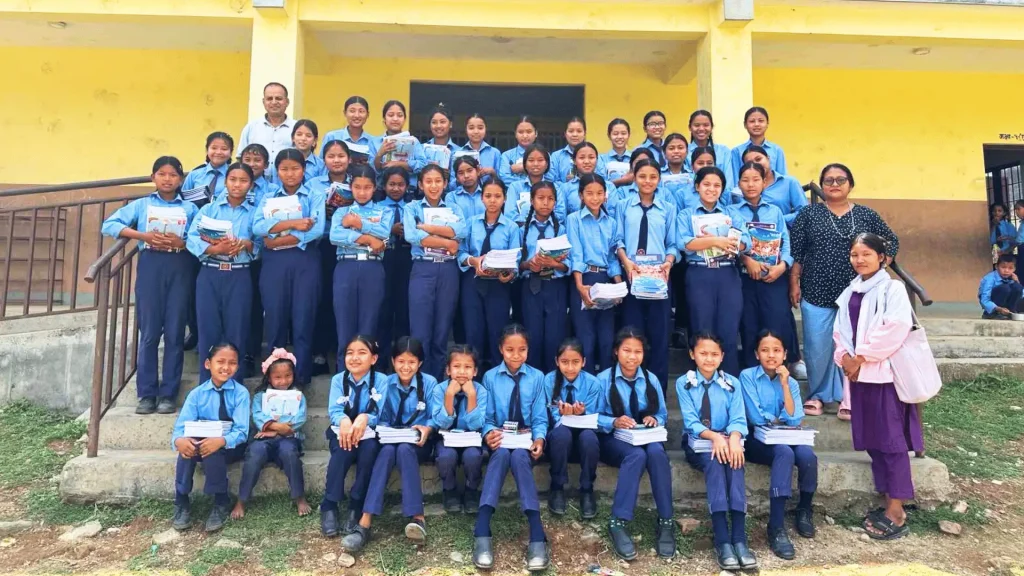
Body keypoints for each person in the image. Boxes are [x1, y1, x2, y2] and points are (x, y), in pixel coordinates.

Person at [789, 164, 899, 420]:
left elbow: (891, 240)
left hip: (856, 293)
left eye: (840, 179)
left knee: (851, 345)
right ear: (822, 185)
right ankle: (817, 395)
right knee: (817, 347)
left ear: (851, 184)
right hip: (816, 289)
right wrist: (794, 281)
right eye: (828, 180)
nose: (834, 184)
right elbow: (797, 252)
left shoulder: (866, 215)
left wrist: (880, 265)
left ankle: (847, 398)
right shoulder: (809, 214)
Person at [832, 232, 923, 541]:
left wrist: (860, 357)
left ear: (883, 258)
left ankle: (897, 511)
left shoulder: (892, 289)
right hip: (859, 378)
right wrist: (844, 357)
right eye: (855, 254)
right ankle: (887, 502)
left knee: (891, 442)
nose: (860, 260)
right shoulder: (850, 291)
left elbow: (894, 329)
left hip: (883, 376)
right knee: (873, 440)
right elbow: (840, 330)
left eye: (867, 254)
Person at [101, 156, 197, 414]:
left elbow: (200, 238)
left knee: (175, 332)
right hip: (151, 265)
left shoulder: (189, 209)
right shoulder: (142, 205)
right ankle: (146, 394)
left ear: (180, 179)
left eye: (173, 175)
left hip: (180, 266)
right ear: (153, 177)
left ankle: (168, 394)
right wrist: (142, 235)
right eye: (162, 174)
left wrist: (183, 243)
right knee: (150, 332)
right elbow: (109, 225)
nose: (167, 179)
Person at [343, 337, 444, 551]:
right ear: (392, 361)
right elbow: (379, 415)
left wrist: (428, 427)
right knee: (388, 451)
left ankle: (417, 518)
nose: (405, 367)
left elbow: (435, 416)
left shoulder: (430, 383)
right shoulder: (386, 383)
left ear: (420, 364)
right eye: (400, 362)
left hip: (418, 442)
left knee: (405, 449)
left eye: (412, 362)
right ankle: (365, 522)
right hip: (390, 439)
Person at [473, 325, 549, 572]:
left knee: (518, 457)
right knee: (504, 453)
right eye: (510, 350)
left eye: (522, 350)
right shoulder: (490, 377)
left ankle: (536, 533)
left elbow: (539, 417)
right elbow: (487, 417)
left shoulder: (537, 378)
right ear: (500, 350)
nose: (516, 355)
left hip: (525, 441)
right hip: (502, 440)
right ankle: (483, 531)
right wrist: (489, 434)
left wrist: (539, 439)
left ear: (528, 350)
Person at [677, 332, 755, 572]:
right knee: (714, 462)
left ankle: (740, 539)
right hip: (699, 443)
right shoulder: (684, 382)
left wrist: (732, 437)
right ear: (692, 355)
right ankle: (723, 540)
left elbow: (739, 418)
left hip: (728, 439)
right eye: (703, 353)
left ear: (722, 357)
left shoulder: (732, 383)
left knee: (735, 462)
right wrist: (713, 438)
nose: (708, 359)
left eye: (714, 354)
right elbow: (691, 421)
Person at [597, 328, 676, 560]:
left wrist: (655, 419)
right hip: (614, 440)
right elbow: (592, 417)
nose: (632, 357)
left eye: (637, 352)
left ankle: (666, 520)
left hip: (644, 437)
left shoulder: (651, 379)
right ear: (616, 352)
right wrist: (614, 421)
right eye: (626, 351)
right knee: (637, 456)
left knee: (656, 453)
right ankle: (618, 521)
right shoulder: (602, 380)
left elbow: (662, 414)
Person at [740, 330, 817, 560]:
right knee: (783, 453)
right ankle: (776, 526)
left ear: (784, 355)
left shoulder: (790, 382)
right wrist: (779, 419)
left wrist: (784, 384)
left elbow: (794, 418)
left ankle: (804, 508)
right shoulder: (747, 376)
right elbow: (755, 417)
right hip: (757, 440)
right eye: (765, 350)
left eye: (776, 350)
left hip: (784, 435)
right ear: (756, 354)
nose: (771, 355)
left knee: (807, 456)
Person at [253, 149, 326, 386]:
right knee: (275, 317)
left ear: (303, 170)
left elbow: (316, 229)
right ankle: (274, 377)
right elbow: (258, 227)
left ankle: (301, 376)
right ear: (277, 171)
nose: (290, 174)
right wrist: (294, 223)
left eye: (295, 168)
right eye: (284, 169)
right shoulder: (268, 194)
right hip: (275, 264)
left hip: (305, 261)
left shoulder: (314, 194)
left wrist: (276, 239)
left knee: (303, 317)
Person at [186, 162, 256, 383]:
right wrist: (216, 248)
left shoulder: (255, 213)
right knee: (209, 330)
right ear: (225, 182)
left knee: (237, 330)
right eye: (233, 179)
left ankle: (235, 386)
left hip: (239, 274)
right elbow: (192, 238)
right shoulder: (209, 209)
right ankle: (207, 386)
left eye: (243, 181)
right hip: (210, 273)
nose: (237, 185)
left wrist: (245, 244)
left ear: (251, 185)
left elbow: (263, 244)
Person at [729, 162, 801, 370]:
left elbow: (786, 242)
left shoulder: (775, 211)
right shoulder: (732, 212)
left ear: (764, 183)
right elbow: (731, 242)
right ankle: (753, 373)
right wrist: (746, 259)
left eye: (756, 180)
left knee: (777, 323)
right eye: (745, 180)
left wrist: (782, 266)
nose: (751, 185)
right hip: (744, 278)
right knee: (750, 325)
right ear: (738, 184)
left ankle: (780, 371)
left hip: (774, 278)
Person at [170, 343, 249, 532]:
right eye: (220, 361)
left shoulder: (240, 393)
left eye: (232, 363)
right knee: (187, 449)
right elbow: (181, 428)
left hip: (230, 446)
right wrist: (179, 441)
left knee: (212, 451)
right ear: (208, 364)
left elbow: (242, 431)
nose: (226, 367)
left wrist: (221, 440)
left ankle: (220, 500)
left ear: (237, 367)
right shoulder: (197, 394)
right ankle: (181, 500)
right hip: (202, 442)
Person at [678, 167, 748, 376]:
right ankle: (702, 384)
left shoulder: (731, 213)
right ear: (697, 186)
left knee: (728, 329)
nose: (711, 189)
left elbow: (747, 242)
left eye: (717, 185)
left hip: (727, 274)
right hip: (699, 274)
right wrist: (717, 240)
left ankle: (729, 384)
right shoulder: (686, 214)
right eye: (706, 184)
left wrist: (735, 244)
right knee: (701, 328)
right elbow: (684, 243)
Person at [615, 159, 677, 388]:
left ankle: (656, 395)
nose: (647, 181)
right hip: (632, 278)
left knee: (659, 339)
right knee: (631, 336)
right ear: (634, 178)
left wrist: (669, 262)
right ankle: (629, 389)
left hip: (659, 279)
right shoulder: (623, 205)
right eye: (642, 176)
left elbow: (672, 243)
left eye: (652, 177)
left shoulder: (667, 209)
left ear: (659, 180)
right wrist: (626, 262)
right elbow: (618, 239)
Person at [404, 164, 468, 379]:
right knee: (421, 331)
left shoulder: (454, 208)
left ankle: (438, 383)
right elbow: (412, 236)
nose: (433, 186)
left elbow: (461, 232)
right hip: (423, 268)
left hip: (448, 270)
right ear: (420, 184)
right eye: (428, 181)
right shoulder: (412, 208)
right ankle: (419, 382)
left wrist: (428, 228)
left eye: (438, 181)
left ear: (445, 184)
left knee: (442, 330)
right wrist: (447, 242)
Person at [233, 349, 310, 520]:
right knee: (254, 454)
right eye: (278, 377)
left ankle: (299, 496)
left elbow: (300, 418)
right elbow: (257, 415)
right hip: (263, 439)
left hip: (288, 438)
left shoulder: (298, 396)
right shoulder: (261, 396)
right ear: (269, 377)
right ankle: (242, 499)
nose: (283, 381)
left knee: (290, 454)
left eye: (288, 376)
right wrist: (274, 428)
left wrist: (274, 431)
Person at [321, 335, 386, 538]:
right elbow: (334, 409)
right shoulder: (338, 380)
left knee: (368, 453)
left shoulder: (382, 380)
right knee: (342, 451)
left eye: (362, 353)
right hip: (343, 432)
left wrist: (366, 417)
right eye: (350, 353)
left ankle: (356, 504)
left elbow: (381, 412)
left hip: (370, 434)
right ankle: (329, 504)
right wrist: (343, 420)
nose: (355, 358)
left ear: (373, 359)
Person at [329, 164, 390, 369]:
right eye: (357, 187)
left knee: (369, 325)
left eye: (367, 187)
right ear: (351, 187)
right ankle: (343, 379)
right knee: (344, 326)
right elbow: (335, 236)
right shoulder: (341, 212)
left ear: (375, 188)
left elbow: (383, 233)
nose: (362, 192)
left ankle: (368, 378)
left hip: (372, 269)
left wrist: (358, 225)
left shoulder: (384, 211)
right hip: (346, 268)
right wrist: (367, 238)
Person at [459, 180, 519, 370]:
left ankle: (497, 377)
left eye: (497, 196)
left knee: (497, 333)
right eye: (488, 196)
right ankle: (471, 377)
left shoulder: (511, 227)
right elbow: (460, 253)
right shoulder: (471, 223)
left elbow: (515, 259)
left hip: (498, 285)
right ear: (481, 198)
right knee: (473, 333)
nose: (492, 201)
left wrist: (508, 274)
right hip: (473, 282)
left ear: (505, 199)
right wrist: (473, 261)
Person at [568, 174, 624, 374]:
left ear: (605, 195)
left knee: (606, 339)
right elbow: (576, 253)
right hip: (583, 280)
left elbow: (611, 257)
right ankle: (588, 389)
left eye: (599, 193)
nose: (595, 197)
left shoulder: (611, 222)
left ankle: (607, 388)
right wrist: (580, 286)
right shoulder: (573, 220)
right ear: (581, 195)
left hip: (605, 282)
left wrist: (619, 287)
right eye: (589, 193)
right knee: (586, 339)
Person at [544, 339, 601, 518]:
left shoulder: (592, 383)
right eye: (564, 362)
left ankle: (586, 489)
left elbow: (594, 417)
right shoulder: (549, 380)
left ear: (583, 362)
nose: (570, 368)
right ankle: (557, 486)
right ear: (556, 361)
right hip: (560, 439)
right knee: (561, 434)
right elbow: (551, 414)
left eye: (575, 362)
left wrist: (581, 414)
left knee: (589, 438)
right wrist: (564, 416)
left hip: (583, 434)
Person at [310, 139, 353, 374]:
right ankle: (319, 353)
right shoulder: (314, 184)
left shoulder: (358, 182)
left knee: (345, 301)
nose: (336, 160)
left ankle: (344, 351)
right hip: (323, 245)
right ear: (324, 159)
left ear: (349, 159)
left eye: (341, 156)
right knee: (323, 297)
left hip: (349, 247)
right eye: (331, 156)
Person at [520, 181, 569, 373]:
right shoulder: (522, 229)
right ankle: (533, 382)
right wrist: (529, 264)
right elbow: (517, 263)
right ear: (532, 201)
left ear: (556, 203)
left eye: (550, 199)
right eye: (540, 198)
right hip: (530, 286)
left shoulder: (562, 228)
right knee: (533, 336)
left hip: (555, 286)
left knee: (553, 338)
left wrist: (554, 264)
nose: (545, 203)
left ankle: (552, 382)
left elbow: (568, 264)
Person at [435, 344, 489, 513]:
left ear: (475, 371)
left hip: (471, 439)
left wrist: (471, 396)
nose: (462, 372)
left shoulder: (480, 391)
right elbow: (441, 423)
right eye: (456, 366)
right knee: (446, 456)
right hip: (446, 439)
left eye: (468, 367)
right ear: (448, 370)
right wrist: (449, 396)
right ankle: (449, 490)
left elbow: (477, 424)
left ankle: (471, 490)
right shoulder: (440, 389)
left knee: (473, 456)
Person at [377, 167, 414, 368]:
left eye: (400, 184)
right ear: (384, 186)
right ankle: (381, 362)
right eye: (392, 184)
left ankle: (402, 360)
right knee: (383, 311)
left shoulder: (412, 208)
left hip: (407, 262)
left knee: (404, 311)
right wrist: (389, 230)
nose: (396, 188)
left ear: (407, 187)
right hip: (383, 261)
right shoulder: (378, 207)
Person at [374, 100, 426, 191]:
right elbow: (372, 171)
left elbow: (423, 165)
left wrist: (399, 164)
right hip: (382, 192)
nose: (395, 119)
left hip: (409, 192)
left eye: (400, 115)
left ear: (405, 119)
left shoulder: (414, 141)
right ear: (384, 119)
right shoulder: (375, 142)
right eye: (390, 115)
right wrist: (379, 155)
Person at [239, 82, 295, 162]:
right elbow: (241, 157)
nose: (274, 102)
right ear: (263, 102)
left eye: (278, 98)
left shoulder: (297, 128)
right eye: (269, 99)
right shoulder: (251, 128)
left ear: (287, 102)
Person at [559, 142, 614, 216]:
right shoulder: (565, 188)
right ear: (574, 161)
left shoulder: (609, 186)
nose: (587, 162)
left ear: (597, 160)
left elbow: (613, 215)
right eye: (582, 158)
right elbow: (562, 216)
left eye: (591, 157)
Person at [730, 107, 787, 178]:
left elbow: (782, 178)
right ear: (745, 125)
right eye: (752, 121)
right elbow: (736, 179)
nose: (756, 124)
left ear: (767, 124)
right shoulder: (737, 151)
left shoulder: (776, 150)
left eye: (761, 121)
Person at [182, 132, 233, 209]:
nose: (218, 152)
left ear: (231, 152)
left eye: (224, 149)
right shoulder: (194, 175)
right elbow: (184, 202)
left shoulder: (235, 175)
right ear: (207, 150)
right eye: (214, 148)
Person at [321, 95, 380, 162]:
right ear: (345, 113)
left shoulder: (373, 141)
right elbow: (322, 163)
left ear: (368, 114)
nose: (357, 115)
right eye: (352, 111)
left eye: (361, 111)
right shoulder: (332, 137)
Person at [685, 110, 735, 187]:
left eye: (706, 125)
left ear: (712, 127)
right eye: (697, 125)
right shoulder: (684, 152)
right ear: (690, 127)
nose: (701, 128)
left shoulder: (723, 151)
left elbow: (729, 182)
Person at [505, 144, 552, 224]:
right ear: (525, 165)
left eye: (540, 160)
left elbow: (560, 215)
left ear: (547, 164)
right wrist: (529, 223)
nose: (536, 164)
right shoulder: (515, 187)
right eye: (531, 160)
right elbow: (509, 215)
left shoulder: (555, 188)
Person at [550, 117, 606, 182]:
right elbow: (552, 181)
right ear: (565, 134)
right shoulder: (556, 156)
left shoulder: (594, 157)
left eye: (579, 131)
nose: (575, 134)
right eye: (571, 131)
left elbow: (602, 178)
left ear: (585, 133)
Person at [457, 113, 500, 185]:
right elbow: (452, 184)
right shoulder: (458, 153)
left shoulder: (495, 153)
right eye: (471, 128)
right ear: (466, 130)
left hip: (489, 194)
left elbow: (502, 181)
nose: (476, 131)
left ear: (486, 129)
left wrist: (492, 172)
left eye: (480, 128)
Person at [499, 115, 540, 186]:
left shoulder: (544, 155)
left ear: (536, 133)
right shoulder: (507, 155)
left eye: (529, 132)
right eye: (521, 132)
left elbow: (549, 178)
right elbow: (504, 179)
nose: (525, 136)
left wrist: (524, 168)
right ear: (515, 134)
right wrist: (533, 179)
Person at [980, 254, 1024, 319]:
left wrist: (1017, 282)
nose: (1006, 271)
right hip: (994, 307)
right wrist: (998, 308)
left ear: (1014, 269)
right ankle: (992, 314)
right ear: (996, 267)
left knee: (1018, 287)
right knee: (1005, 288)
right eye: (1003, 267)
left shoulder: (1012, 278)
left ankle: (1010, 312)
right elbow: (984, 300)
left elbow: (1022, 295)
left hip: (1006, 308)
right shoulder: (989, 279)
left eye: (1010, 268)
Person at [603, 118, 634, 188]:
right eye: (615, 134)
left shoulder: (635, 158)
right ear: (609, 135)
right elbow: (599, 184)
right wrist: (623, 180)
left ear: (629, 135)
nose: (620, 137)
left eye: (623, 133)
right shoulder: (601, 159)